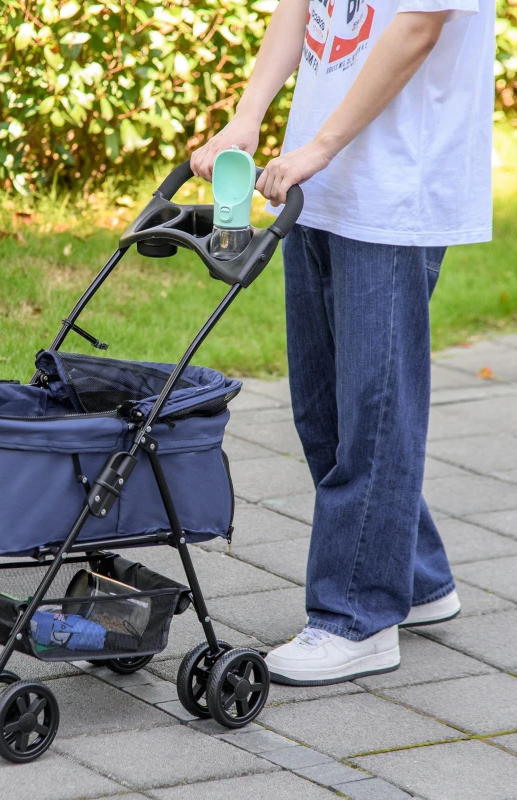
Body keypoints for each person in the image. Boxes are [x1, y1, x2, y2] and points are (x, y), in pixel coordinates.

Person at [191, 0, 494, 685]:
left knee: (373, 412)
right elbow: (303, 8)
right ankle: (416, 579)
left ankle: (356, 617)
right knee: (323, 409)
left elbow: (419, 26)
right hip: (317, 183)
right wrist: (248, 116)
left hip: (393, 189)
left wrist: (321, 146)